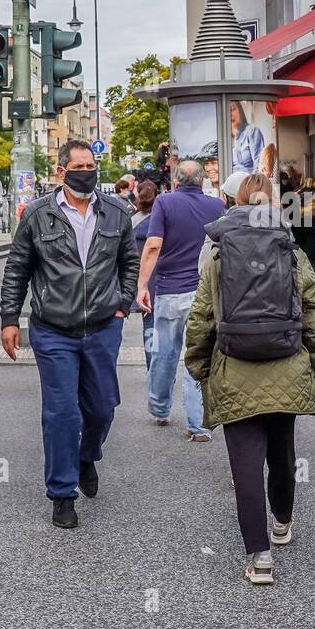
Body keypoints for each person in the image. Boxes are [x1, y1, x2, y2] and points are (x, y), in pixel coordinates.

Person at [185, 178, 315, 584]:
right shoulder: (291, 249)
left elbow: (202, 315)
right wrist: (314, 356)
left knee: (245, 467)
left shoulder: (217, 252)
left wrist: (199, 365)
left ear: (236, 204)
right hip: (287, 363)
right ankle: (282, 521)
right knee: (282, 453)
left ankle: (260, 558)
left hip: (235, 367)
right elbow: (313, 307)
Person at [0, 140, 138, 529]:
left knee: (101, 407)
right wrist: (10, 317)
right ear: (61, 172)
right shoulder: (38, 214)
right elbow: (17, 269)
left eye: (91, 165)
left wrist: (122, 303)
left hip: (102, 326)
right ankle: (62, 494)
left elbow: (129, 260)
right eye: (78, 166)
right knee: (61, 413)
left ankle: (85, 454)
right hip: (52, 329)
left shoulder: (116, 212)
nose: (86, 172)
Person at [137, 160, 225, 440]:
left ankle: (160, 408)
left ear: (175, 181)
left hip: (170, 290)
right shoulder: (216, 206)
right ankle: (198, 425)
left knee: (164, 351)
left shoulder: (164, 203)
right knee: (198, 353)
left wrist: (142, 285)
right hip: (204, 292)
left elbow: (153, 246)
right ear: (202, 182)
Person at [132, 180, 159, 369]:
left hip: (143, 284)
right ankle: (164, 371)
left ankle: (152, 368)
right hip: (164, 282)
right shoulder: (163, 220)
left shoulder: (130, 222)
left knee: (149, 328)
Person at [229, 100, 265, 175]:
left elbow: (259, 164)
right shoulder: (225, 138)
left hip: (248, 182)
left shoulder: (252, 131)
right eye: (227, 111)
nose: (230, 114)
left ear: (240, 111)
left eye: (233, 109)